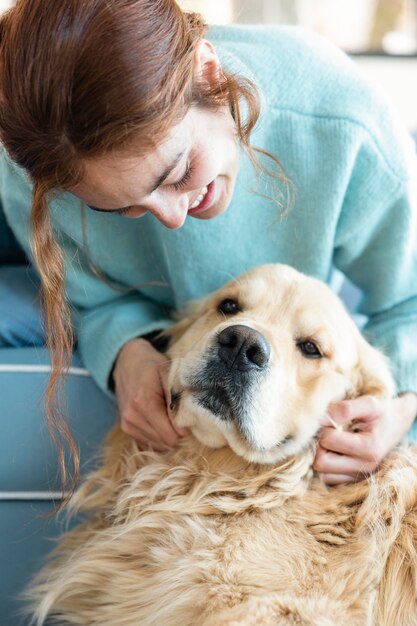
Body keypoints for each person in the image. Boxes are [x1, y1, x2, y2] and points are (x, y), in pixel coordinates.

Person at [0, 0, 416, 495]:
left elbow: (409, 300)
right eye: (121, 209)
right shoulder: (34, 167)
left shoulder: (345, 118)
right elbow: (91, 298)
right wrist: (127, 353)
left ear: (211, 73)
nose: (173, 219)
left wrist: (403, 409)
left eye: (178, 173)